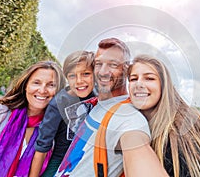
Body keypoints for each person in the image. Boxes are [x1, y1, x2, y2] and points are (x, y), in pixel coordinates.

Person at [56, 38, 167, 176]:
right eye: (98, 63)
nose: (103, 72)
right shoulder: (97, 104)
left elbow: (137, 147)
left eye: (113, 65)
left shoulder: (129, 118)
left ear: (126, 69)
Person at [128, 54, 200, 177]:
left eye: (149, 78)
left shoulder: (179, 132)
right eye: (133, 79)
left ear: (164, 85)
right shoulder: (139, 121)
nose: (138, 84)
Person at [0, 61, 65, 177]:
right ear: (26, 86)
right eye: (36, 83)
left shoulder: (58, 134)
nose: (42, 90)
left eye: (51, 85)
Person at [30, 51, 96, 177]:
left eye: (86, 74)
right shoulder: (59, 103)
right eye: (72, 76)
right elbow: (42, 146)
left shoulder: (99, 98)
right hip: (59, 162)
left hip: (86, 161)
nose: (79, 81)